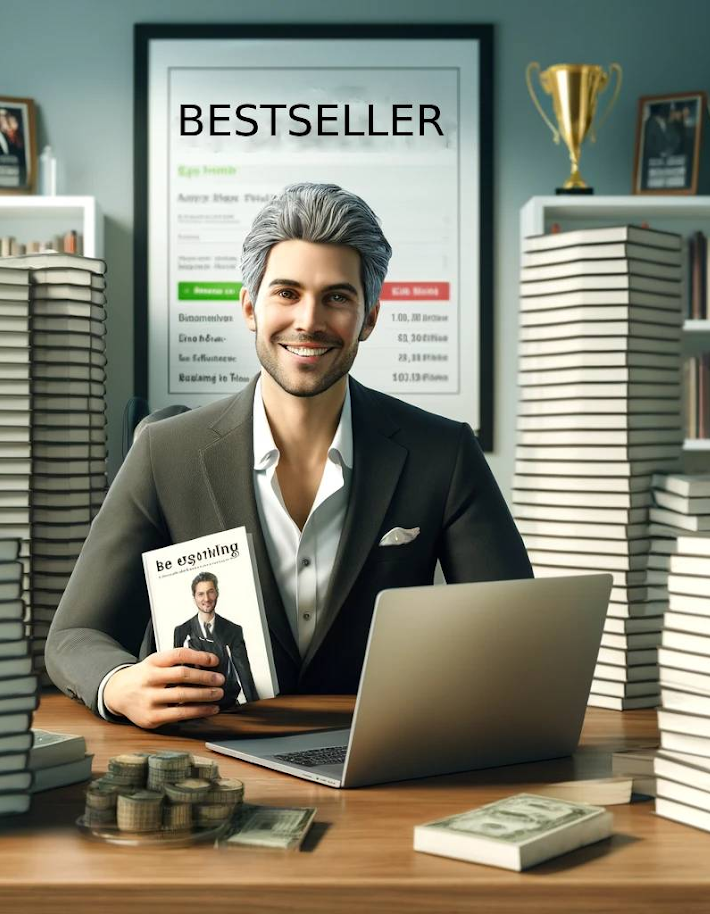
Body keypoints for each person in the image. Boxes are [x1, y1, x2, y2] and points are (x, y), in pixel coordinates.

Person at [46, 182, 532, 729]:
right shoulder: (165, 450)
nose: (309, 320)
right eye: (287, 293)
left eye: (337, 297)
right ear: (251, 307)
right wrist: (119, 684)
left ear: (368, 318)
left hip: (382, 755)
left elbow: (514, 637)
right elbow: (74, 636)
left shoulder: (444, 453)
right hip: (209, 761)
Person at [171, 572, 256, 710]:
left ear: (217, 593)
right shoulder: (181, 631)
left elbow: (244, 671)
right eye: (201, 594)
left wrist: (255, 706)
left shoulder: (233, 630)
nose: (206, 598)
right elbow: (177, 673)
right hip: (195, 706)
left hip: (227, 703)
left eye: (210, 592)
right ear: (194, 598)